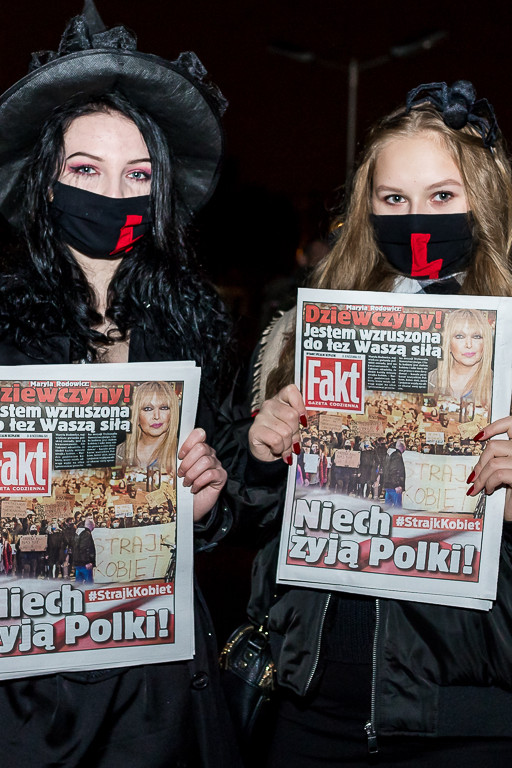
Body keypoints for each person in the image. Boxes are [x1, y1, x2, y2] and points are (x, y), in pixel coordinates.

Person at [220, 80, 512, 766]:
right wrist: (260, 455)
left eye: (442, 196)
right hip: (310, 704)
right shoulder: (303, 331)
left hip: (467, 721)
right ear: (367, 205)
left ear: (484, 196)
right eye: (394, 199)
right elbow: (240, 515)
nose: (417, 218)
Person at [0, 3, 239, 767]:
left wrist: (204, 502)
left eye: (137, 174)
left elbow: (222, 501)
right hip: (35, 707)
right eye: (85, 170)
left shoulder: (193, 330)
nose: (112, 194)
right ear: (46, 184)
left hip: (162, 692)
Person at [428, 307, 493, 409]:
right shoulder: (430, 380)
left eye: (476, 336)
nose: (469, 345)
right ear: (448, 343)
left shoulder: (498, 383)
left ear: (486, 342)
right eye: (460, 336)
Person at [116, 380, 180, 474]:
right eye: (148, 409)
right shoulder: (120, 451)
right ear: (137, 415)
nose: (156, 416)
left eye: (164, 408)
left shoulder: (182, 451)